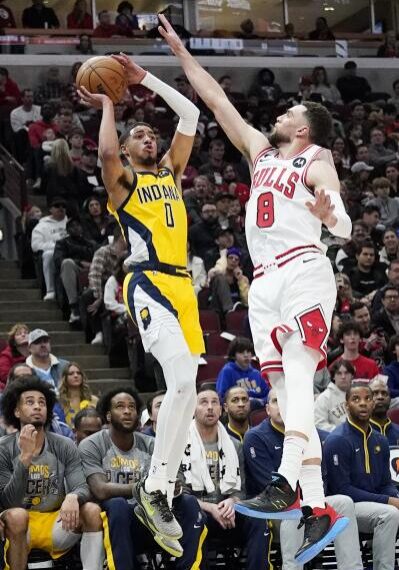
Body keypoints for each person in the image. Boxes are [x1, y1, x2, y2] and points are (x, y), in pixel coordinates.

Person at [158, 14, 351, 562]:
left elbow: (343, 221)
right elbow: (217, 100)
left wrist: (327, 213)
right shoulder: (261, 153)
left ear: (304, 129)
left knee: (297, 376)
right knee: (287, 403)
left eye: (289, 112)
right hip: (263, 283)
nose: (279, 114)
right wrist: (181, 54)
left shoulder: (316, 158)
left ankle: (287, 480)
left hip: (303, 268)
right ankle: (316, 510)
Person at [78, 51, 204, 542]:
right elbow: (107, 156)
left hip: (183, 287)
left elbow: (190, 115)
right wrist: (109, 105)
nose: (150, 137)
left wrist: (143, 77)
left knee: (188, 389)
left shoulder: (170, 171)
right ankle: (156, 489)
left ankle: (158, 487)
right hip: (148, 281)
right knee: (180, 376)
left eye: (152, 133)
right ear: (130, 150)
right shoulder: (125, 184)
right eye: (141, 135)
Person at [79, 388, 206, 564]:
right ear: (108, 416)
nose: (127, 411)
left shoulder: (153, 444)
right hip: (119, 521)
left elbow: (178, 481)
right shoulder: (91, 444)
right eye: (120, 406)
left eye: (132, 407)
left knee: (189, 503)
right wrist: (146, 488)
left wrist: (173, 486)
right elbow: (100, 489)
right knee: (117, 505)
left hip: (155, 518)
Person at [243, 389, 364, 570]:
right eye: (277, 401)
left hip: (308, 500)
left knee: (344, 502)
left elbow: (321, 478)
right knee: (294, 509)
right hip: (274, 509)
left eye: (288, 401)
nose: (283, 406)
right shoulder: (256, 437)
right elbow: (269, 486)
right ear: (267, 409)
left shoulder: (313, 435)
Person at [0, 376, 104, 570]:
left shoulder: (63, 444)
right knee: (17, 515)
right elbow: (9, 502)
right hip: (19, 528)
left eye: (42, 402)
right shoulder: (3, 448)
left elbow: (81, 485)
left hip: (56, 522)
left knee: (91, 511)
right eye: (30, 402)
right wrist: (25, 458)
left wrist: (73, 496)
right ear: (16, 410)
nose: (37, 407)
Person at [181, 387, 272, 569]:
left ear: (221, 409)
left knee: (258, 519)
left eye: (214, 402)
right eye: (203, 402)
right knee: (196, 516)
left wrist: (232, 502)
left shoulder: (235, 445)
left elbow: (241, 490)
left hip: (228, 512)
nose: (210, 407)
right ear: (193, 409)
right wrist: (211, 508)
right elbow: (180, 496)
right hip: (198, 512)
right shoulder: (180, 444)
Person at [324, 382, 399, 570]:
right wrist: (388, 501)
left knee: (392, 510)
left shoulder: (380, 440)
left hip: (373, 504)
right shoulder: (337, 440)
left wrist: (395, 497)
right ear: (347, 405)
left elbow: (384, 482)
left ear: (373, 403)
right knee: (389, 514)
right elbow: (342, 489)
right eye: (356, 399)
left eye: (367, 399)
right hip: (345, 508)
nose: (363, 403)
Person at [53, 218, 96, 323]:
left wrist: (92, 265)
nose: (76, 228)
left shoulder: (90, 243)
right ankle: (74, 308)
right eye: (72, 226)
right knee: (67, 263)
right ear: (67, 230)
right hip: (73, 269)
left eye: (78, 225)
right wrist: (79, 262)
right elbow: (58, 260)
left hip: (92, 270)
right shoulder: (62, 243)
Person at [216, 337, 269, 410]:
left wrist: (260, 402)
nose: (246, 355)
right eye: (241, 352)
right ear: (234, 355)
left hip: (257, 410)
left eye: (248, 352)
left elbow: (268, 395)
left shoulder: (257, 373)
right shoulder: (227, 371)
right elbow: (222, 397)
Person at [31, 197, 68, 301]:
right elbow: (36, 245)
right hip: (53, 252)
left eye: (63, 206)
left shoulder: (70, 222)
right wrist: (56, 246)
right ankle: (50, 290)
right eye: (57, 206)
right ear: (51, 209)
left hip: (71, 251)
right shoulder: (41, 226)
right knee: (48, 254)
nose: (61, 208)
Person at [314, 360, 354, 432]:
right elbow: (319, 424)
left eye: (346, 373)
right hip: (336, 438)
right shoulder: (324, 398)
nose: (343, 377)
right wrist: (342, 432)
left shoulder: (358, 395)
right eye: (339, 373)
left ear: (352, 376)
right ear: (333, 377)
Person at [58, 362, 98, 429]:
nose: (76, 376)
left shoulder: (94, 400)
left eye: (79, 373)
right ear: (65, 378)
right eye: (71, 374)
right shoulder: (59, 402)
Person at [369, 377, 399, 445]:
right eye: (375, 393)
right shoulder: (356, 433)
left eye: (384, 393)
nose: (380, 397)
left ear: (390, 400)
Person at [0, 323, 30, 391]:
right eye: (19, 334)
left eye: (26, 333)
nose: (23, 335)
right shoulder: (6, 355)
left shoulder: (35, 352)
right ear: (13, 341)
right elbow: (5, 375)